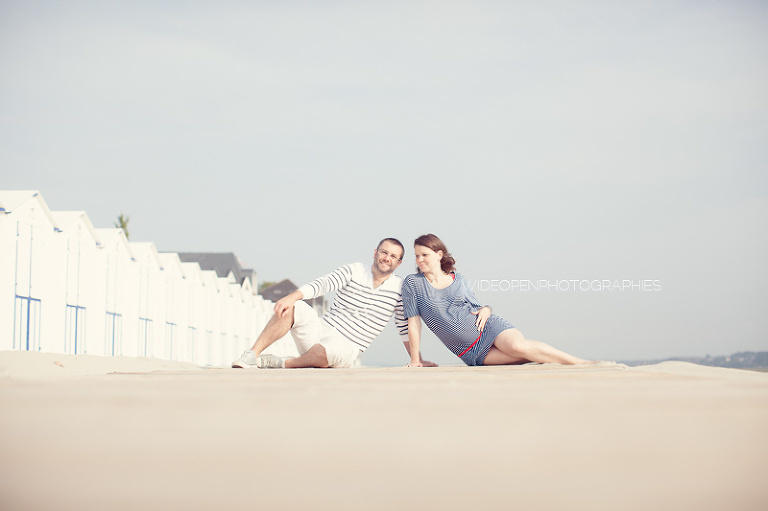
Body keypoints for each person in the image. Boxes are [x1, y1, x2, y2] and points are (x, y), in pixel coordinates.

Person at [233, 238, 436, 369]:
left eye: (393, 256)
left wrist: (415, 359)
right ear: (375, 253)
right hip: (320, 330)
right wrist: (292, 296)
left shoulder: (400, 289)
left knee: (330, 351)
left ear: (399, 263)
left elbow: (403, 326)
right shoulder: (354, 270)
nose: (386, 258)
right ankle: (252, 354)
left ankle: (284, 363)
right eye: (384, 252)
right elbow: (323, 284)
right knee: (294, 307)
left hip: (348, 345)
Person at [402, 233, 591, 368]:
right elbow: (414, 322)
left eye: (424, 254)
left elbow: (477, 306)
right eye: (417, 255)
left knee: (518, 347)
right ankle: (571, 362)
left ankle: (580, 363)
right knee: (524, 356)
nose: (419, 259)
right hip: (470, 351)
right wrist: (415, 359)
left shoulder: (458, 279)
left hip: (489, 328)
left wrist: (486, 309)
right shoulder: (413, 283)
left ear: (439, 254)